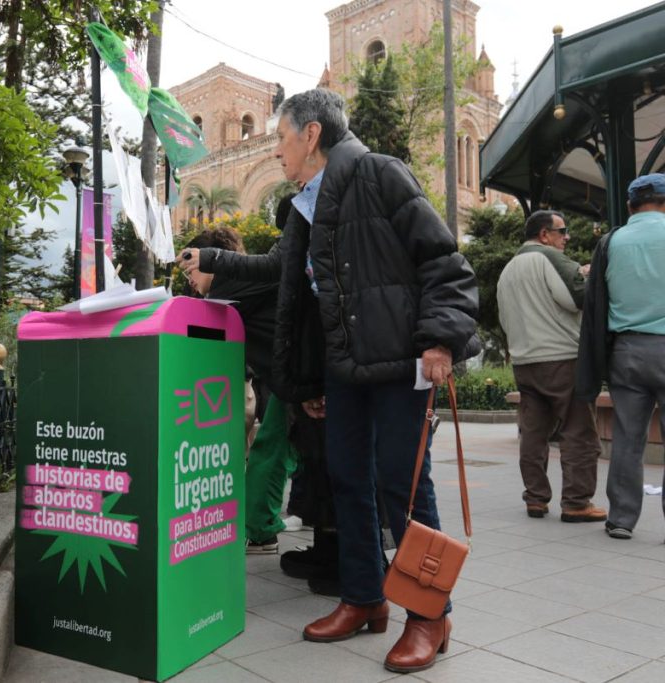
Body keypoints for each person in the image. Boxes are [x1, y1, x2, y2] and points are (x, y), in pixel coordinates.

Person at [273, 88, 479, 674]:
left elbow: (444, 263)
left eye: (282, 138)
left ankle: (427, 616)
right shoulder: (305, 206)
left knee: (404, 488)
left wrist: (440, 339)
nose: (278, 152)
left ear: (311, 135)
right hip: (345, 374)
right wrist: (308, 377)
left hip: (399, 365)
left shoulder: (380, 174)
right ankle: (364, 599)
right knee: (347, 482)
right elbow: (306, 298)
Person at [183, 225, 301, 555]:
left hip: (294, 375)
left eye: (193, 265)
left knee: (271, 449)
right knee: (276, 448)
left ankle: (261, 530)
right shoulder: (230, 290)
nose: (190, 276)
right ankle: (264, 527)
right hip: (288, 376)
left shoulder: (234, 286)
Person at [496, 211, 605, 522]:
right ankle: (576, 502)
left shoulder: (509, 269)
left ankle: (535, 499)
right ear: (544, 235)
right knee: (578, 431)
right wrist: (586, 276)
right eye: (562, 231)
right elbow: (580, 299)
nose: (566, 237)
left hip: (524, 362)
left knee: (533, 433)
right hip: (560, 359)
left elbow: (505, 318)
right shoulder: (551, 259)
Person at [577, 173, 665, 540]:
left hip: (626, 350)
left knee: (628, 437)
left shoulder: (611, 242)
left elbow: (596, 301)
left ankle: (622, 519)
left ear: (630, 206)